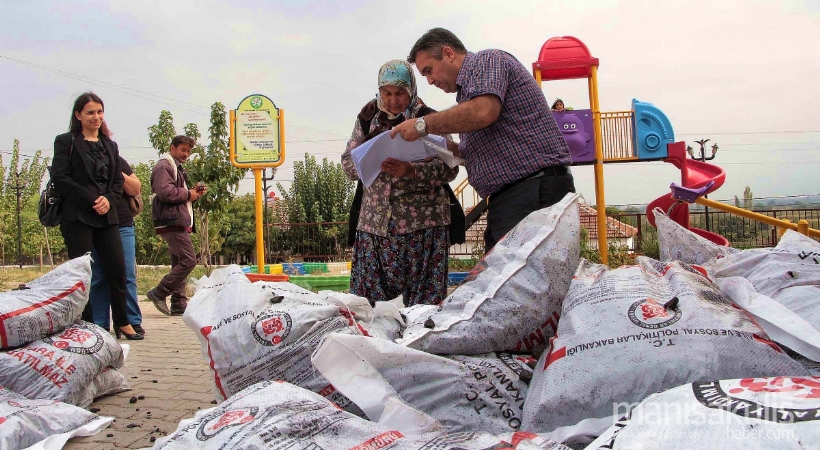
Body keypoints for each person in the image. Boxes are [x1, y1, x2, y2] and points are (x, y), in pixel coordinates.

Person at [391, 28, 576, 252]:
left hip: (533, 191)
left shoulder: (488, 61)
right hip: (512, 197)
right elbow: (477, 144)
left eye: (429, 71)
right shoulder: (467, 95)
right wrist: (438, 147)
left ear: (448, 53)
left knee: (525, 282)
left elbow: (483, 112)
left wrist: (422, 125)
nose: (430, 81)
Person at [342, 60, 458, 306]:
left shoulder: (429, 119)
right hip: (375, 226)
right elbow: (347, 163)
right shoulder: (367, 119)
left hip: (423, 228)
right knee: (371, 304)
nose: (393, 100)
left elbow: (451, 167)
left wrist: (412, 170)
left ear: (412, 91)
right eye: (387, 93)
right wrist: (370, 160)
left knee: (421, 304)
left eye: (400, 93)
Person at [51, 92, 143, 340]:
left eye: (100, 112)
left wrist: (108, 200)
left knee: (118, 269)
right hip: (78, 216)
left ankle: (123, 322)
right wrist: (91, 199)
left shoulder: (110, 146)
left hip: (107, 215)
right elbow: (60, 178)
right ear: (78, 115)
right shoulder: (65, 142)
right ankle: (88, 324)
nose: (96, 117)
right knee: (84, 274)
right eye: (90, 112)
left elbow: (116, 181)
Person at [146, 135, 206, 316]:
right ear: (172, 148)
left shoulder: (177, 168)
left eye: (188, 151)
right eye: (182, 150)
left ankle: (179, 303)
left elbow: (177, 192)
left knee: (179, 261)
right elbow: (165, 192)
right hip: (171, 220)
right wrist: (188, 194)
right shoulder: (164, 166)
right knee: (188, 260)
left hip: (176, 220)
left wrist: (193, 193)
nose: (186, 154)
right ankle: (159, 292)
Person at [88, 155, 143, 334]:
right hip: (95, 224)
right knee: (98, 277)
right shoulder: (80, 158)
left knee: (126, 274)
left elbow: (135, 187)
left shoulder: (114, 158)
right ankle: (99, 324)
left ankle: (130, 320)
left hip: (122, 222)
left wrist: (115, 171)